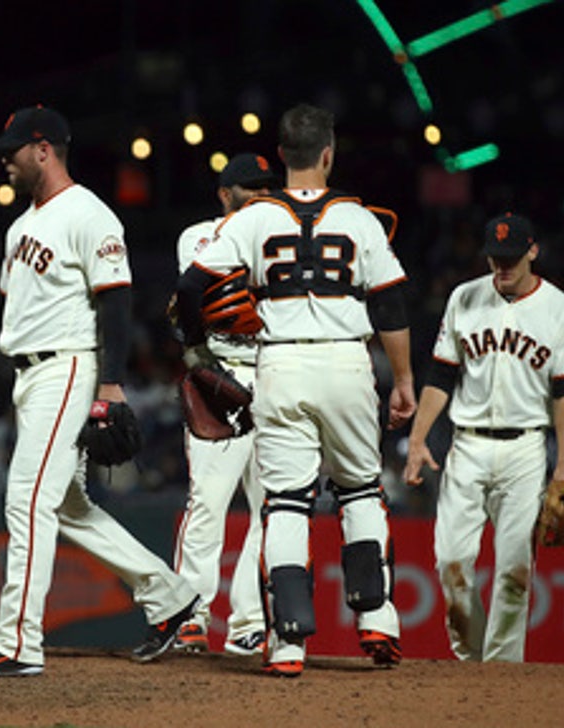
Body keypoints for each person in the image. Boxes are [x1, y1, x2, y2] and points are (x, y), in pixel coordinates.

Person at [0, 105, 198, 679]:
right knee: (66, 506)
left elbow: (117, 302)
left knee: (28, 500)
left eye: (12, 149)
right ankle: (169, 596)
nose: (3, 160)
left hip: (69, 368)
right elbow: (4, 308)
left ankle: (17, 643)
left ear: (44, 149)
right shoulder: (21, 226)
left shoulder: (90, 215)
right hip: (29, 375)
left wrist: (110, 383)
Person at [174, 103, 416, 677]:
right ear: (328, 153)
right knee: (358, 492)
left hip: (278, 365)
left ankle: (286, 643)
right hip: (346, 363)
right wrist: (403, 379)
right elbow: (390, 302)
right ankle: (377, 617)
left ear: (281, 155)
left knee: (284, 503)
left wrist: (193, 346)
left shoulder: (253, 219)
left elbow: (190, 286)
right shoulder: (360, 220)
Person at [403, 213, 564, 662]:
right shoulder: (464, 298)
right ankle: (470, 660)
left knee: (514, 570)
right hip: (467, 445)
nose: (502, 267)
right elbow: (440, 375)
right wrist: (417, 439)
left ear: (532, 251)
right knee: (450, 562)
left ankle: (502, 669)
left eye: (511, 258)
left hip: (525, 446)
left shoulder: (560, 308)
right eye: (494, 258)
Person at [171, 153, 273, 656]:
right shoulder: (198, 236)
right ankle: (191, 614)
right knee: (207, 501)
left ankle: (250, 620)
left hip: (277, 375)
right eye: (247, 187)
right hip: (221, 371)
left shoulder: (283, 237)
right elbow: (214, 294)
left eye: (264, 187)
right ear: (224, 194)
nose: (257, 194)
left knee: (271, 509)